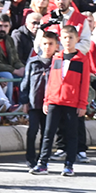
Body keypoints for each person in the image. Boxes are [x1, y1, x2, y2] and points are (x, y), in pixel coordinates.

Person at [31, 24, 91, 176]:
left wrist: (82, 103)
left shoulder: (82, 59)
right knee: (48, 133)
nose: (68, 41)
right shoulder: (57, 57)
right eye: (65, 38)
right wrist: (46, 100)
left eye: (71, 38)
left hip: (71, 102)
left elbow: (84, 84)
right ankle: (43, 163)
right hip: (54, 100)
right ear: (61, 40)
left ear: (77, 39)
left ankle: (69, 164)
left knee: (71, 134)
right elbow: (52, 80)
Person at [20, 28, 57, 167]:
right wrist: (24, 101)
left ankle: (43, 158)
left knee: (47, 133)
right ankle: (30, 158)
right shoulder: (33, 62)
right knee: (32, 131)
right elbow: (26, 82)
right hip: (34, 102)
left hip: (51, 103)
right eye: (45, 43)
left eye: (51, 44)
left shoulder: (57, 62)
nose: (48, 47)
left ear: (56, 45)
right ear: (41, 44)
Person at [0, 12, 24, 111]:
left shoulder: (9, 39)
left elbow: (15, 60)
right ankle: (9, 108)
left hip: (8, 69)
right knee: (8, 76)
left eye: (5, 26)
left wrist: (22, 68)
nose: (2, 29)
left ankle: (22, 108)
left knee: (27, 76)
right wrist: (15, 71)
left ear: (9, 27)